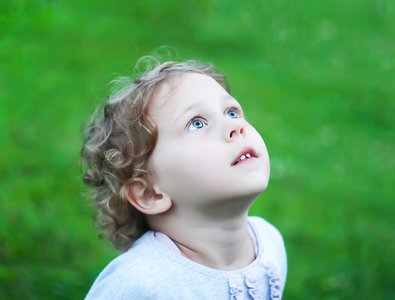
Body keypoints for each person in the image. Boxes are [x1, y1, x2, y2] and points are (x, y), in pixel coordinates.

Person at [82, 57, 287, 299]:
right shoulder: (140, 284)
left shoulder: (269, 245)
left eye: (231, 112)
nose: (235, 126)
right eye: (197, 123)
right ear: (150, 194)